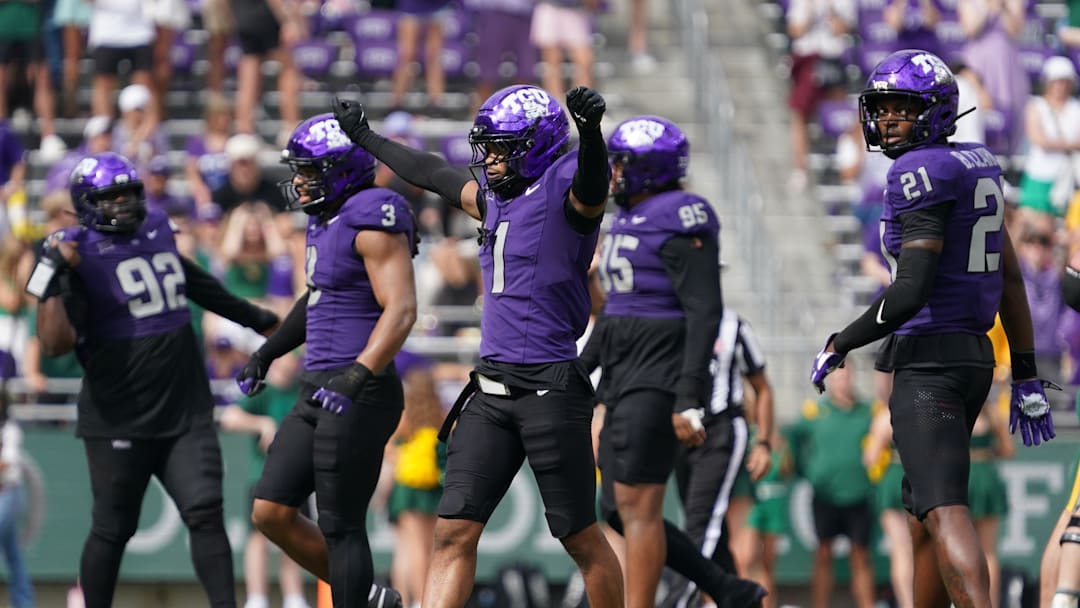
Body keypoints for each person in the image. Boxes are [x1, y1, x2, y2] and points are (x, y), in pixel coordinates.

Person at [332, 84, 625, 608]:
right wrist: (366, 137)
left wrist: (590, 132)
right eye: (486, 145)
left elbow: (592, 183)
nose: (488, 158)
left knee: (581, 537)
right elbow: (431, 172)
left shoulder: (567, 189)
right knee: (453, 532)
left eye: (501, 147)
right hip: (490, 389)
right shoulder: (495, 195)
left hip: (550, 388)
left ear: (534, 146)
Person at [809, 49, 1056, 608]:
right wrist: (1026, 373)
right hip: (968, 360)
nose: (889, 119)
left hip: (930, 364)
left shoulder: (917, 172)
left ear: (938, 112)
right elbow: (1010, 279)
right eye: (884, 108)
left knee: (942, 506)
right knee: (921, 511)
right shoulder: (976, 163)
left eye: (903, 108)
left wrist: (840, 341)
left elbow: (911, 288)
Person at [26, 151, 280, 608]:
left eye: (129, 192)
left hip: (184, 406)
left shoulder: (157, 227)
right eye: (111, 195)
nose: (123, 202)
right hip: (118, 414)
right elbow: (55, 344)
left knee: (205, 513)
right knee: (112, 526)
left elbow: (189, 278)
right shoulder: (76, 252)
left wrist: (254, 318)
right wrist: (54, 273)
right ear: (87, 203)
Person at [235, 113, 417, 608]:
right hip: (317, 386)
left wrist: (358, 374)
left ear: (341, 170)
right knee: (270, 510)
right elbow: (317, 298)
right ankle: (370, 596)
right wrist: (267, 353)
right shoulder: (326, 219)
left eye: (309, 171)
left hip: (361, 390)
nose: (298, 182)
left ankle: (356, 598)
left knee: (341, 524)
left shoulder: (372, 213)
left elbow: (401, 309)